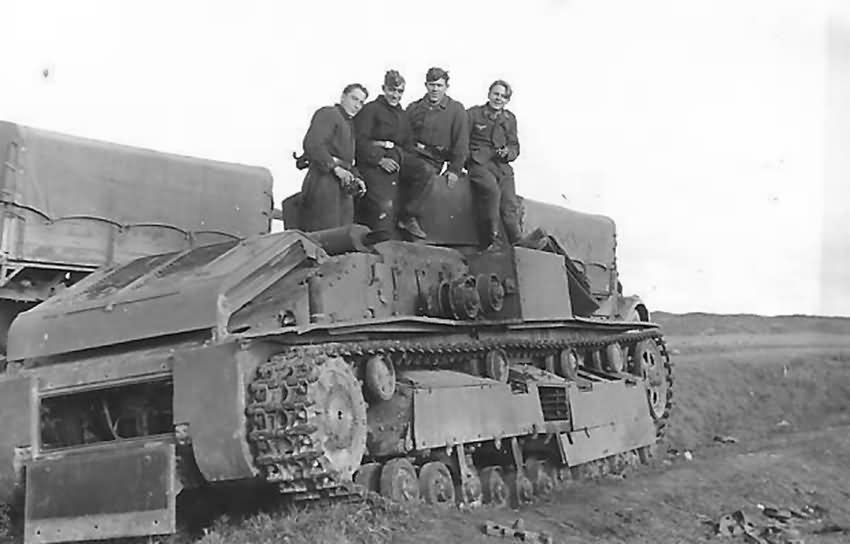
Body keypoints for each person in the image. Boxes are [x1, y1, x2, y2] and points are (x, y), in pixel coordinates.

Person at [397, 67, 469, 240]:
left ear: (446, 87)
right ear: (426, 85)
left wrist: (454, 169)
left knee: (426, 173)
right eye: (431, 85)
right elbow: (401, 135)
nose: (435, 89)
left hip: (434, 160)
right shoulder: (414, 108)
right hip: (410, 154)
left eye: (439, 85)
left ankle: (408, 216)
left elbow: (461, 142)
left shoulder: (456, 110)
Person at [296, 83, 368, 232]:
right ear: (343, 97)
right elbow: (313, 144)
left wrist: (357, 177)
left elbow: (347, 160)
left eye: (361, 102)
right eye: (354, 99)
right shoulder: (329, 114)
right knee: (322, 232)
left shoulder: (349, 124)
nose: (357, 105)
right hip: (324, 181)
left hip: (342, 185)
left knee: (340, 236)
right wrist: (334, 168)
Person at [353, 70, 410, 240]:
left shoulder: (403, 115)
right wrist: (379, 159)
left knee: (421, 173)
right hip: (372, 166)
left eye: (400, 91)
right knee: (382, 207)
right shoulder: (371, 110)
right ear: (384, 88)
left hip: (396, 165)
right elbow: (359, 141)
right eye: (392, 90)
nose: (395, 95)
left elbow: (408, 143)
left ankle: (408, 217)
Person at [466, 79, 521, 250]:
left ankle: (517, 241)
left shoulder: (509, 119)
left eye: (503, 97)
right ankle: (491, 239)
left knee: (510, 204)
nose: (498, 99)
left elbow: (514, 146)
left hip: (501, 166)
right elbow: (462, 141)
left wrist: (508, 153)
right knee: (491, 193)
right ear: (489, 94)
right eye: (496, 94)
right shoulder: (473, 114)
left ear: (507, 100)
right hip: (479, 163)